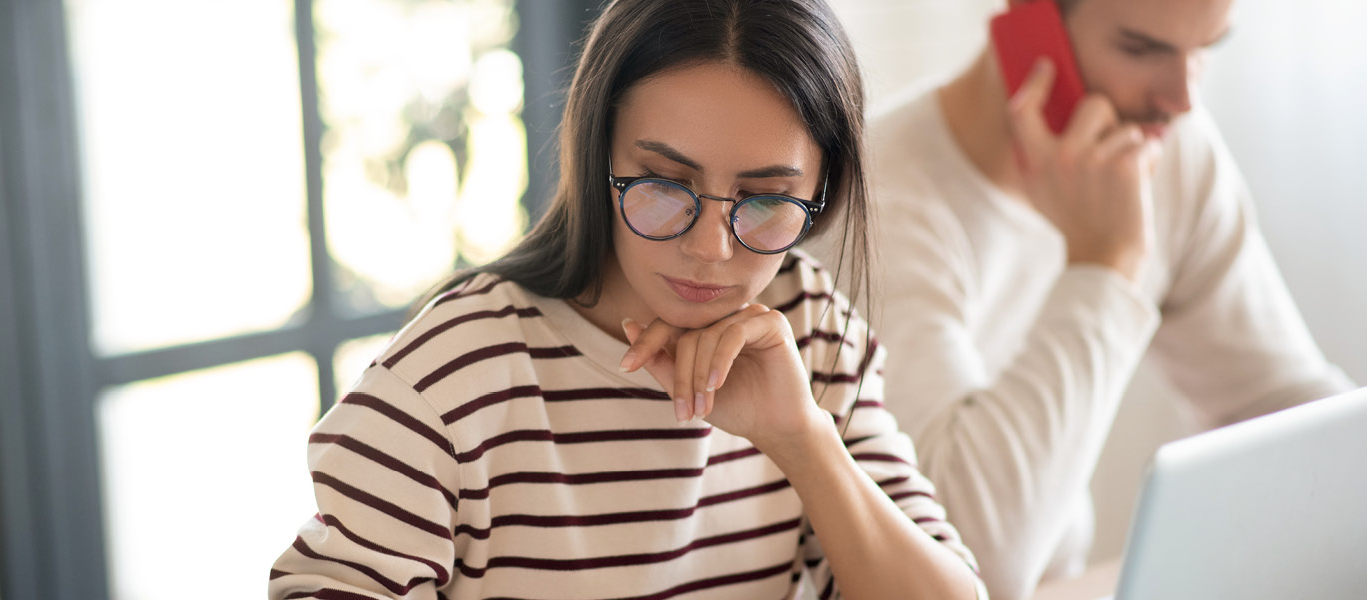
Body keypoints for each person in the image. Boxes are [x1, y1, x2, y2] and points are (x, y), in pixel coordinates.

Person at [268, 1, 987, 598]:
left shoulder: (809, 329)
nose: (711, 248)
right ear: (596, 152)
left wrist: (803, 442)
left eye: (766, 198)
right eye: (666, 184)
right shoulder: (447, 381)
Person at [803, 1, 1356, 599]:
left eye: (1206, 50)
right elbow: (967, 561)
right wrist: (1107, 264)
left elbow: (1295, 416)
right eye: (1141, 50)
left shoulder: (1167, 150)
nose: (1182, 98)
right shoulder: (872, 203)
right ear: (1029, 20)